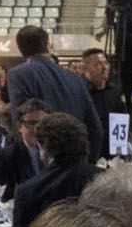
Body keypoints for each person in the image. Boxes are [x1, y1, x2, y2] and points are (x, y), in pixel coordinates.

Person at [7, 21, 104, 149]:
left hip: (43, 162)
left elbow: (22, 124)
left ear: (21, 50)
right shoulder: (75, 78)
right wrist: (88, 161)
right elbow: (96, 128)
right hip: (77, 159)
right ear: (48, 46)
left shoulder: (18, 74)